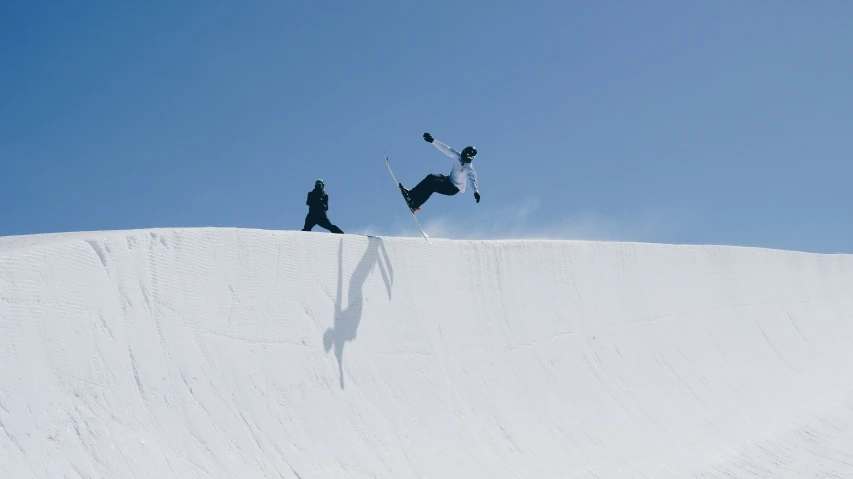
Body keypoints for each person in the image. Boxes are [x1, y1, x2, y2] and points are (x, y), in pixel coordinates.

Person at [398, 132, 481, 212]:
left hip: (453, 188)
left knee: (433, 185)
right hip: (448, 180)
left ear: (470, 158)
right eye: (462, 156)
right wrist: (433, 141)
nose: (462, 159)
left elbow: (472, 181)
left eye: (464, 158)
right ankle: (411, 194)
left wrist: (476, 192)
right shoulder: (458, 156)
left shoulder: (470, 170)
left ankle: (415, 204)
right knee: (430, 177)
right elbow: (447, 149)